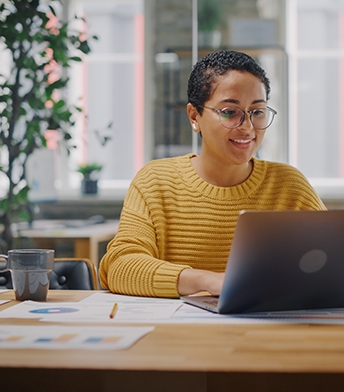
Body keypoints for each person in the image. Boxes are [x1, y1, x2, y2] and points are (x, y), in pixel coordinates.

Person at [99, 50, 325, 298]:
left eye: (257, 112)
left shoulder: (289, 185)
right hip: (182, 334)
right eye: (230, 112)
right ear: (195, 116)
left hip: (268, 329)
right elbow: (120, 267)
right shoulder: (155, 182)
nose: (247, 127)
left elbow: (336, 262)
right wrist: (207, 281)